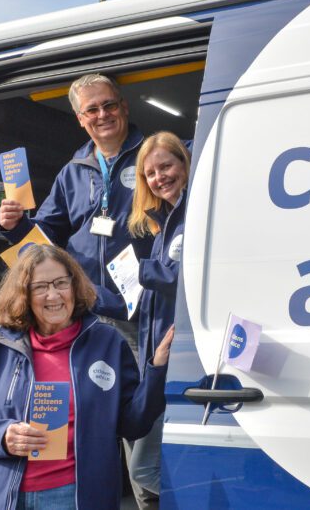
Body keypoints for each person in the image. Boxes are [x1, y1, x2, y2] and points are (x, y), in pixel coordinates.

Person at [0, 244, 173, 510]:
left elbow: (132, 425)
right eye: (40, 287)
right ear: (23, 294)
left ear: (75, 285)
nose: (53, 295)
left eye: (61, 283)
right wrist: (2, 435)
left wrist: (157, 370)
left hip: (74, 497)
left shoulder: (108, 343)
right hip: (0, 496)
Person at [0, 72, 153, 327]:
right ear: (81, 119)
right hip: (84, 308)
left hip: (141, 310)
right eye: (91, 110)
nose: (102, 115)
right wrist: (15, 225)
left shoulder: (154, 158)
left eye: (109, 105)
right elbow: (47, 233)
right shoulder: (72, 171)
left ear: (124, 107)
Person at [125, 131, 190, 506]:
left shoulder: (194, 211)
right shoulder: (163, 221)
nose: (159, 177)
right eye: (150, 173)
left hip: (180, 355)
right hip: (160, 358)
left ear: (184, 163)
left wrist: (144, 271)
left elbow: (193, 276)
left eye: (166, 166)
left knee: (143, 468)